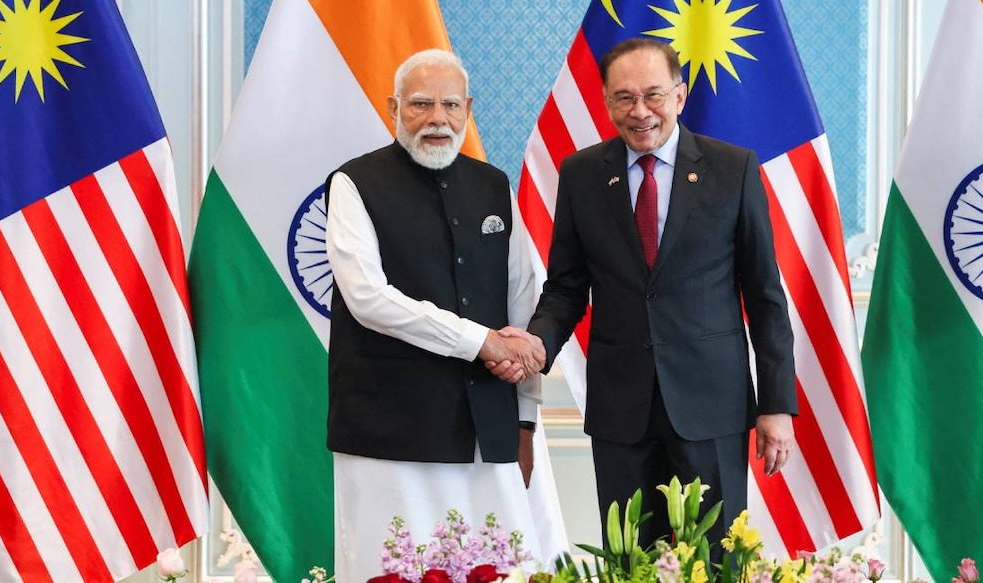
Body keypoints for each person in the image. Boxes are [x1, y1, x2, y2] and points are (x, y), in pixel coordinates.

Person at [505, 38, 798, 553]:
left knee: (718, 561)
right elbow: (567, 287)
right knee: (629, 559)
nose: (639, 112)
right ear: (606, 102)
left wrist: (776, 405)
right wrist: (535, 346)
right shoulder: (581, 174)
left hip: (712, 407)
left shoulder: (734, 169)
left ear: (680, 97)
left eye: (653, 95)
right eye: (623, 98)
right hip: (622, 411)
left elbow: (765, 295)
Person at [324, 49, 555, 583]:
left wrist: (524, 421)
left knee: (499, 567)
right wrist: (482, 342)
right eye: (421, 104)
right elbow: (368, 299)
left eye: (450, 105)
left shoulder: (495, 185)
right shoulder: (353, 184)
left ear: (468, 108)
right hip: (389, 435)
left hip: (487, 433)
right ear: (393, 108)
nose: (437, 119)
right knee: (395, 569)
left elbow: (521, 300)